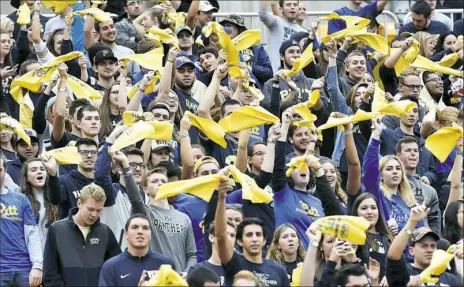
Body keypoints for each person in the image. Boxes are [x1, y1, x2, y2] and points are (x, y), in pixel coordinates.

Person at [214, 166, 290, 286]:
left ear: (264, 240)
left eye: (258, 234)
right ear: (239, 241)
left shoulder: (278, 271)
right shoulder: (233, 262)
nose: (254, 239)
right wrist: (221, 198)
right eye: (249, 235)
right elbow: (220, 236)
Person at [43, 183, 121, 286]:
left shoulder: (105, 232)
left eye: (99, 211)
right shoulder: (57, 229)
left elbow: (116, 268)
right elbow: (50, 272)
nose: (94, 215)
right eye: (91, 209)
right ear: (79, 203)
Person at [127, 167, 197, 273]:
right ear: (145, 189)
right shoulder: (145, 213)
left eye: (164, 181)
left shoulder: (184, 218)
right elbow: (135, 199)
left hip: (178, 280)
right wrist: (126, 168)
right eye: (155, 181)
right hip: (154, 279)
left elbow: (191, 255)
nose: (160, 184)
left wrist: (187, 273)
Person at [363, 117, 425, 233]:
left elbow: (422, 233)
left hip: (409, 250)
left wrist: (408, 233)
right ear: (380, 175)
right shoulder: (377, 196)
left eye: (398, 168)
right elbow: (369, 170)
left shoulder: (411, 203)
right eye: (389, 169)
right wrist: (376, 135)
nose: (395, 171)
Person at [386, 205, 462, 287]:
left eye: (433, 246)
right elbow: (393, 255)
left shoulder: (452, 280)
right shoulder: (405, 274)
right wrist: (412, 222)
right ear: (411, 250)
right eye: (424, 246)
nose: (429, 250)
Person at [0, 151, 43, 287]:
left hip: (24, 269)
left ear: (5, 171)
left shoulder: (21, 199)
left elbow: (32, 234)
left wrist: (37, 266)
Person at [98, 214, 175, 287]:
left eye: (145, 228)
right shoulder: (111, 266)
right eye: (135, 227)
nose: (140, 232)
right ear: (126, 234)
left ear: (150, 234)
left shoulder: (165, 263)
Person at [396, 136, 441, 234]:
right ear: (398, 156)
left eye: (416, 151)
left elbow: (433, 220)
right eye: (408, 150)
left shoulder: (430, 191)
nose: (413, 153)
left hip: (422, 239)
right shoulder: (393, 185)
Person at [50, 138, 99, 219]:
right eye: (84, 152)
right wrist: (52, 176)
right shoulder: (65, 180)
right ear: (76, 155)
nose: (89, 156)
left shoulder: (102, 182)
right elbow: (55, 200)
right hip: (72, 229)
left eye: (93, 153)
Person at [20, 157, 59, 251]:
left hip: (52, 252)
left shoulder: (55, 195)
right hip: (29, 253)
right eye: (33, 170)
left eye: (42, 169)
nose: (39, 172)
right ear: (27, 178)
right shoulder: (20, 198)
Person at [352, 193, 392, 280]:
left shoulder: (389, 238)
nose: (369, 212)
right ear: (356, 212)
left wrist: (390, 277)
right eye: (364, 208)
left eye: (373, 208)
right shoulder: (352, 239)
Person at [259, 0, 307, 71]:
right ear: (281, 9)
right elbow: (263, 15)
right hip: (276, 73)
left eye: (295, 5)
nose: (292, 7)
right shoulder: (277, 22)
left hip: (296, 74)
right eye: (288, 5)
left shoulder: (304, 32)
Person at [187, 220, 236, 286]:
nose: (229, 238)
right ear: (211, 237)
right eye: (224, 234)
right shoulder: (197, 270)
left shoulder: (240, 268)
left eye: (232, 235)